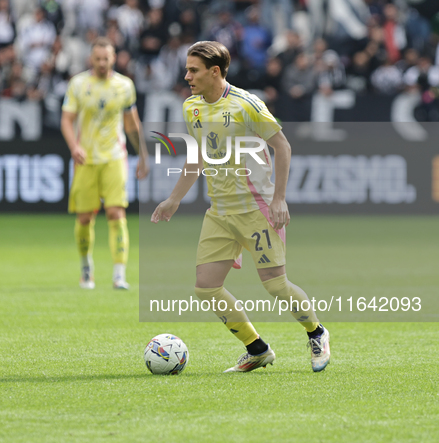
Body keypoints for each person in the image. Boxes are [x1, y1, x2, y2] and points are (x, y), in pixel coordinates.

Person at [151, 41, 330, 373]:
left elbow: (283, 147)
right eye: (187, 69)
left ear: (214, 72)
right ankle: (257, 348)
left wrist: (278, 199)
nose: (187, 75)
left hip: (256, 208)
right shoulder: (191, 107)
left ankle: (316, 332)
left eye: (193, 70)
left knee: (275, 285)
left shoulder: (247, 105)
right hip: (219, 212)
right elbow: (197, 157)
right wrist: (174, 198)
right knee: (205, 288)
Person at [61, 36, 149, 290]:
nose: (102, 63)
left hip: (114, 157)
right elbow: (67, 120)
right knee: (85, 217)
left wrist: (142, 155)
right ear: (91, 59)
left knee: (116, 212)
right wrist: (74, 146)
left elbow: (132, 124)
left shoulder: (124, 85)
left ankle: (119, 274)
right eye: (98, 58)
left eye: (106, 58)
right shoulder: (78, 84)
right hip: (86, 158)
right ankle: (86, 269)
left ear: (114, 58)